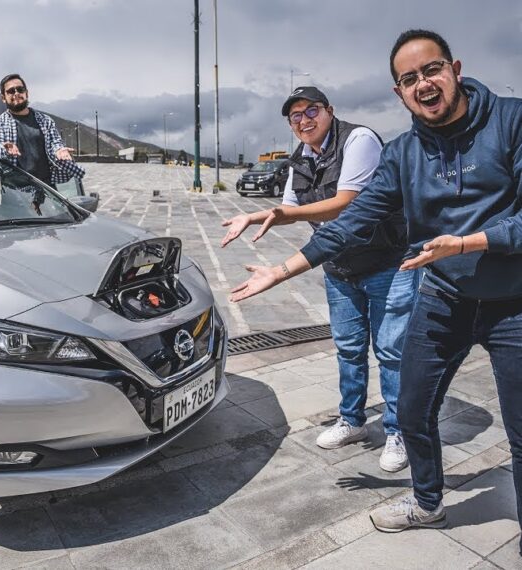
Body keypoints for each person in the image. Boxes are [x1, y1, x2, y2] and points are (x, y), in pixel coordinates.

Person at [229, 29, 522, 544]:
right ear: (399, 92)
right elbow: (353, 219)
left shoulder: (512, 120)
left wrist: (471, 242)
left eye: (431, 70)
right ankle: (427, 501)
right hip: (444, 296)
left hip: (513, 300)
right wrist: (283, 269)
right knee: (410, 409)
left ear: (454, 68)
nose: (422, 84)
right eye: (409, 79)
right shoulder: (405, 152)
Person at [222, 87, 415, 472]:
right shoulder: (300, 160)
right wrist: (254, 216)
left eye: (311, 111)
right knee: (347, 348)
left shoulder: (358, 140)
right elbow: (290, 208)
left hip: (385, 263)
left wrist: (278, 235)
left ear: (329, 111)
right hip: (340, 268)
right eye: (295, 116)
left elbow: (348, 202)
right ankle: (353, 420)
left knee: (392, 352)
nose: (304, 120)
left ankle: (400, 431)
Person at [0, 73, 84, 188]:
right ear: (3, 98)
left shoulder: (45, 120)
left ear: (26, 93)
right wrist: (5, 149)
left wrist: (60, 150)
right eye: (11, 91)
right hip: (14, 193)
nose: (17, 93)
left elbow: (56, 143)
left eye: (20, 89)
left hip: (47, 189)